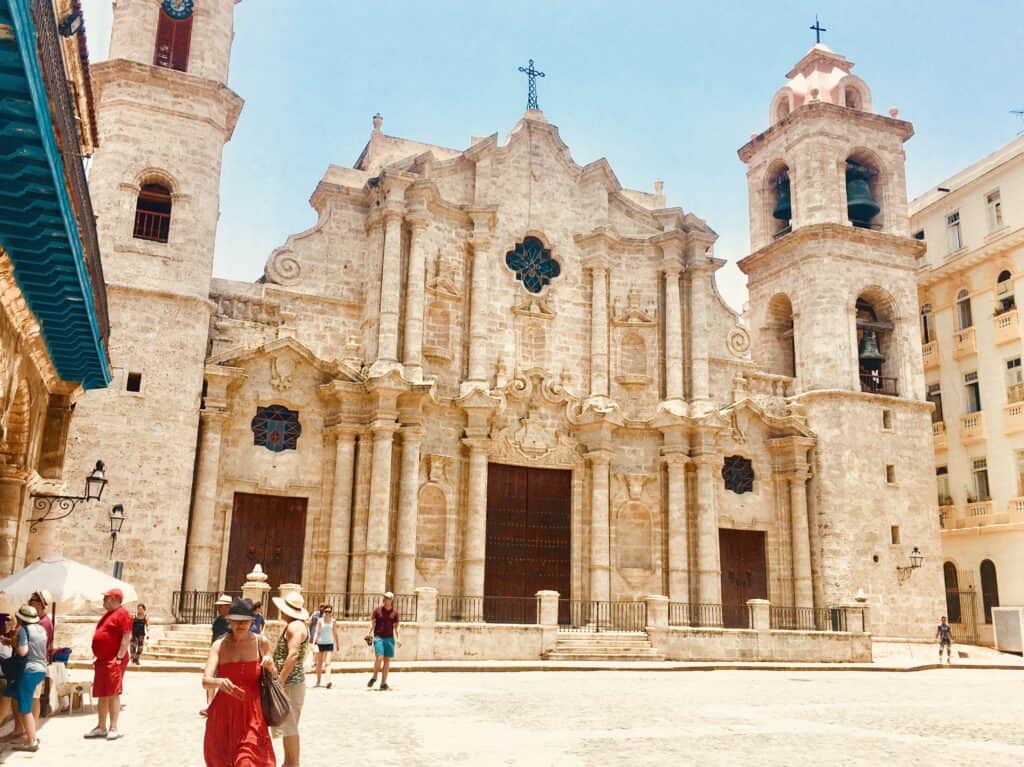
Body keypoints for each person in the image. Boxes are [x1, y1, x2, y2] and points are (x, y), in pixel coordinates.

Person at [202, 597, 276, 767]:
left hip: (252, 713)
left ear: (252, 621)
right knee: (222, 760)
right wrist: (219, 682)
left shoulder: (261, 643)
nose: (240, 625)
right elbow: (205, 681)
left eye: (244, 621)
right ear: (228, 621)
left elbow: (275, 676)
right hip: (223, 714)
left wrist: (271, 667)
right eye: (236, 621)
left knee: (247, 760)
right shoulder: (219, 646)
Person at [84, 588, 131, 741]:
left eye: (105, 598)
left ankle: (114, 727)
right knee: (102, 693)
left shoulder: (122, 614)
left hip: (113, 660)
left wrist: (118, 658)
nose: (103, 600)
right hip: (103, 660)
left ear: (113, 599)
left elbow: (126, 637)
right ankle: (101, 726)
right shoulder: (108, 615)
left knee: (113, 693)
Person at [1, 605, 47, 751]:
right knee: (8, 694)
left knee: (25, 708)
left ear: (20, 619)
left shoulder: (23, 631)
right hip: (40, 668)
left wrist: (12, 642)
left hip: (28, 671)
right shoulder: (41, 630)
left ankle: (32, 742)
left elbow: (22, 651)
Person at [271, 591, 309, 767]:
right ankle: (288, 763)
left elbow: (293, 655)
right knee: (288, 725)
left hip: (291, 683)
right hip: (293, 682)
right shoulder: (297, 625)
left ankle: (293, 764)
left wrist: (280, 681)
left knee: (290, 725)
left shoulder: (294, 627)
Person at [202, 594, 233, 716]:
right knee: (211, 677)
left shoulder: (233, 622)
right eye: (218, 606)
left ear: (228, 607)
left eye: (221, 606)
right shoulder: (217, 622)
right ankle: (210, 706)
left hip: (228, 655)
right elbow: (214, 637)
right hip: (216, 653)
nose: (218, 608)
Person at [366, 591, 401, 691]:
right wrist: (369, 633)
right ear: (384, 599)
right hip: (378, 637)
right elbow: (372, 623)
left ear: (392, 600)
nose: (388, 600)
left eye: (389, 598)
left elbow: (397, 626)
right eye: (386, 598)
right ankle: (374, 676)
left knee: (387, 660)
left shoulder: (395, 613)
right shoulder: (377, 610)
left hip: (390, 638)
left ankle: (383, 683)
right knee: (379, 657)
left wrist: (399, 638)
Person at [313, 605, 340, 689]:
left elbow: (335, 633)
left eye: (329, 611)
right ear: (323, 612)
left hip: (329, 643)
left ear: (331, 612)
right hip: (320, 643)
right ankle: (318, 681)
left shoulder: (333, 621)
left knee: (328, 663)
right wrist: (314, 642)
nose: (328, 613)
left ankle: (328, 681)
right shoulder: (320, 621)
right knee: (319, 663)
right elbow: (317, 632)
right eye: (326, 611)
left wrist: (337, 644)